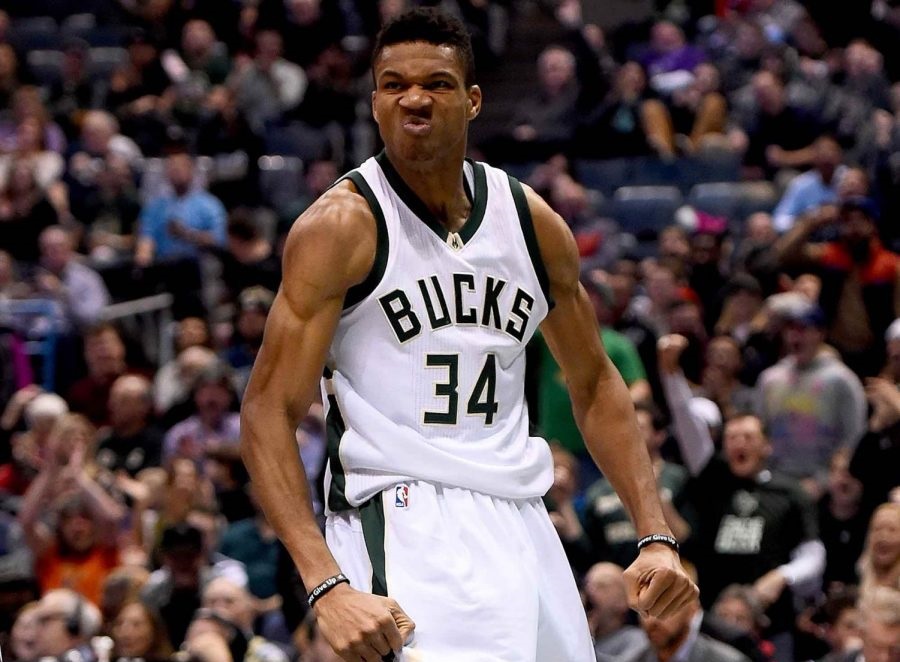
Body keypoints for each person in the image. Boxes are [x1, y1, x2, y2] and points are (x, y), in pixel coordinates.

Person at [240, 8, 697, 662]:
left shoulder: (530, 222)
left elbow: (595, 383)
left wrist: (655, 535)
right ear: (375, 103)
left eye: (436, 83)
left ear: (474, 100)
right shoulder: (341, 226)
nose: (414, 99)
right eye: (394, 85)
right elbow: (266, 409)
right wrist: (326, 584)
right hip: (401, 511)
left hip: (520, 512)